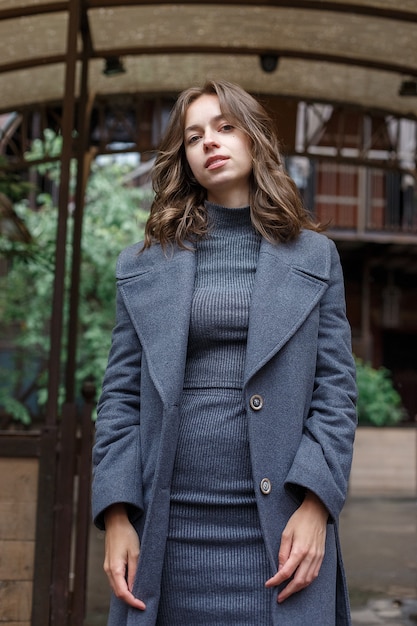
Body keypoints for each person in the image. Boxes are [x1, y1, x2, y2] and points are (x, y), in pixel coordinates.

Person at [92, 79, 357, 626]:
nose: (209, 142)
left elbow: (335, 392)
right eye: (193, 137)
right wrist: (116, 514)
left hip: (279, 533)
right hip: (166, 533)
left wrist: (316, 505)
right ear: (184, 159)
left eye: (224, 127)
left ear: (255, 139)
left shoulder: (316, 257)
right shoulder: (143, 265)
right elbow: (118, 397)